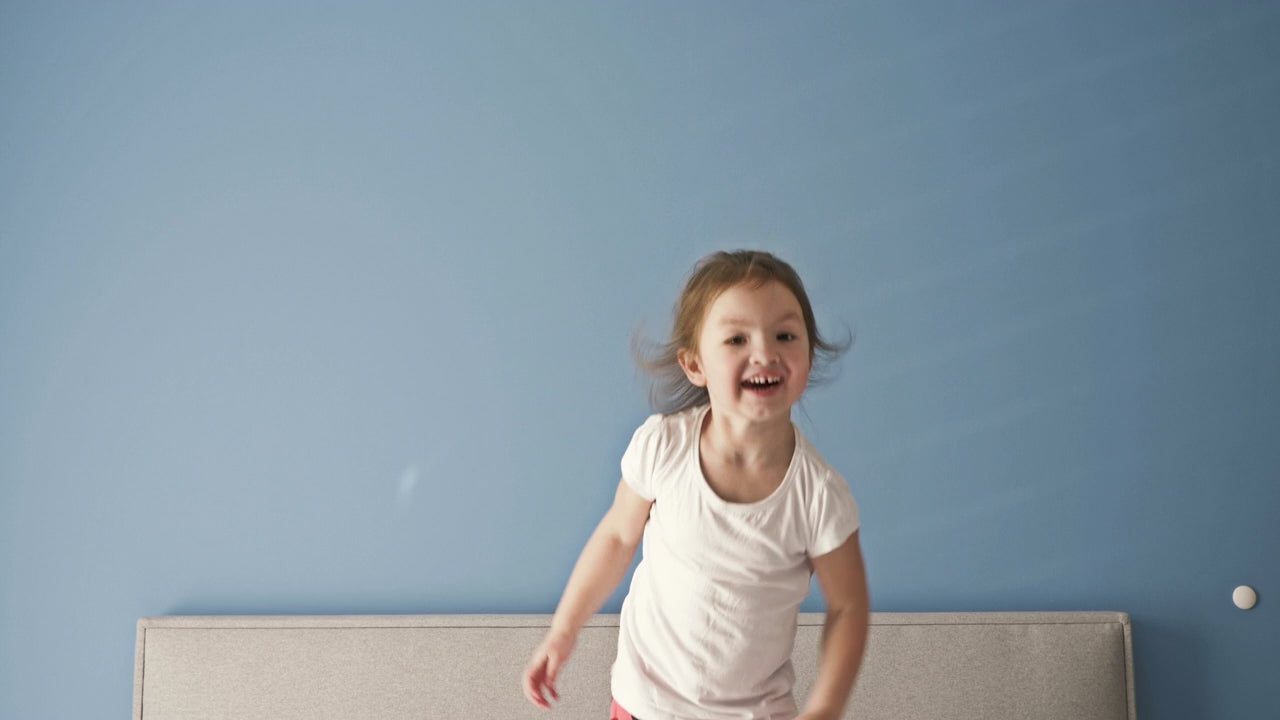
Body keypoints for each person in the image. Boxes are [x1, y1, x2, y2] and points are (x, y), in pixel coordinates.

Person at [523, 250, 869, 720]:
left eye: (785, 335)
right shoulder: (664, 447)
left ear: (809, 353)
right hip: (646, 703)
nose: (764, 352)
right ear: (694, 366)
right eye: (736, 339)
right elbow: (617, 537)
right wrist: (563, 631)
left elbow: (848, 607)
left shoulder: (818, 495)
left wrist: (825, 707)